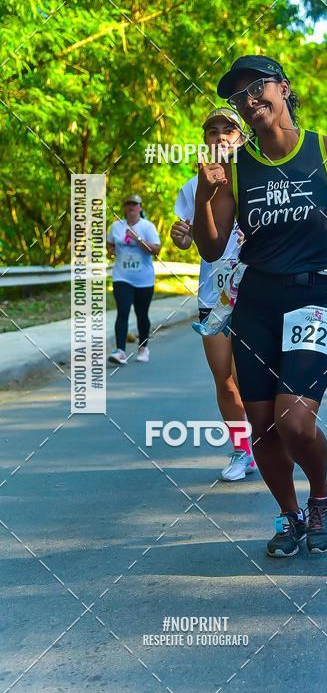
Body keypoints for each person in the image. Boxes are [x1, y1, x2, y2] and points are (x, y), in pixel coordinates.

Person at [193, 54, 327, 557]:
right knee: (261, 422)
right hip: (258, 301)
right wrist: (205, 194)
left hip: (315, 298)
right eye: (237, 96)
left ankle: (322, 497)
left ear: (284, 89)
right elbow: (209, 246)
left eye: (257, 88)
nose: (248, 102)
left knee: (294, 420)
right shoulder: (237, 169)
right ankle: (289, 516)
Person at [171, 108, 255, 483]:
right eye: (212, 131)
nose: (220, 136)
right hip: (215, 296)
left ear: (242, 137)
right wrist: (183, 238)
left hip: (257, 289)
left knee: (256, 378)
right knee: (225, 379)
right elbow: (192, 240)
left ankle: (269, 441)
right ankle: (242, 449)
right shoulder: (193, 187)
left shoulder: (260, 179)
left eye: (229, 129)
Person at [107, 195, 161, 364]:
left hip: (144, 279)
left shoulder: (148, 227)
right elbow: (109, 244)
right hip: (121, 277)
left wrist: (137, 238)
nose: (131, 206)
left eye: (134, 204)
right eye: (128, 203)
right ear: (124, 207)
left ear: (140, 207)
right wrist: (111, 251)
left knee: (141, 314)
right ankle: (120, 351)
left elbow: (156, 251)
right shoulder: (116, 226)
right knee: (122, 311)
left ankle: (143, 347)